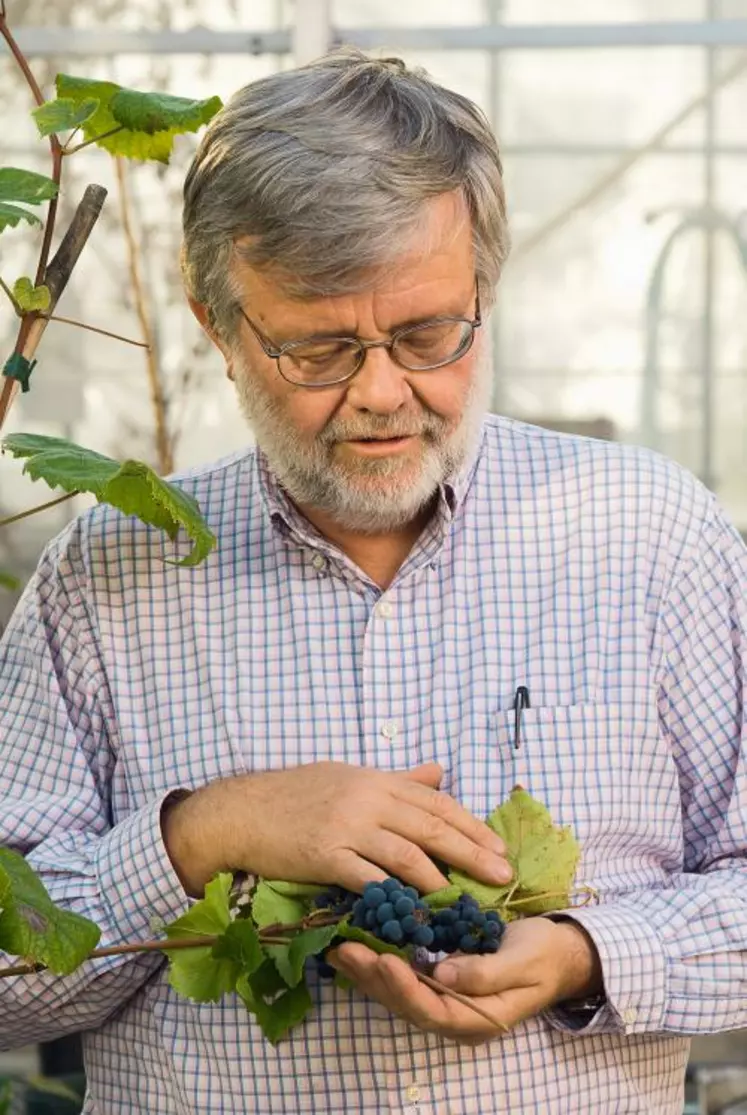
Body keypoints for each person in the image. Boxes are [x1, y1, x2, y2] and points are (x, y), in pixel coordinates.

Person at [0, 48, 745, 1115]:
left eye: (426, 333)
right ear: (219, 326)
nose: (383, 393)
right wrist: (201, 832)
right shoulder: (106, 571)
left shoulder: (651, 535)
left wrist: (590, 951)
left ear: (483, 287)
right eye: (318, 350)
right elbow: (7, 983)